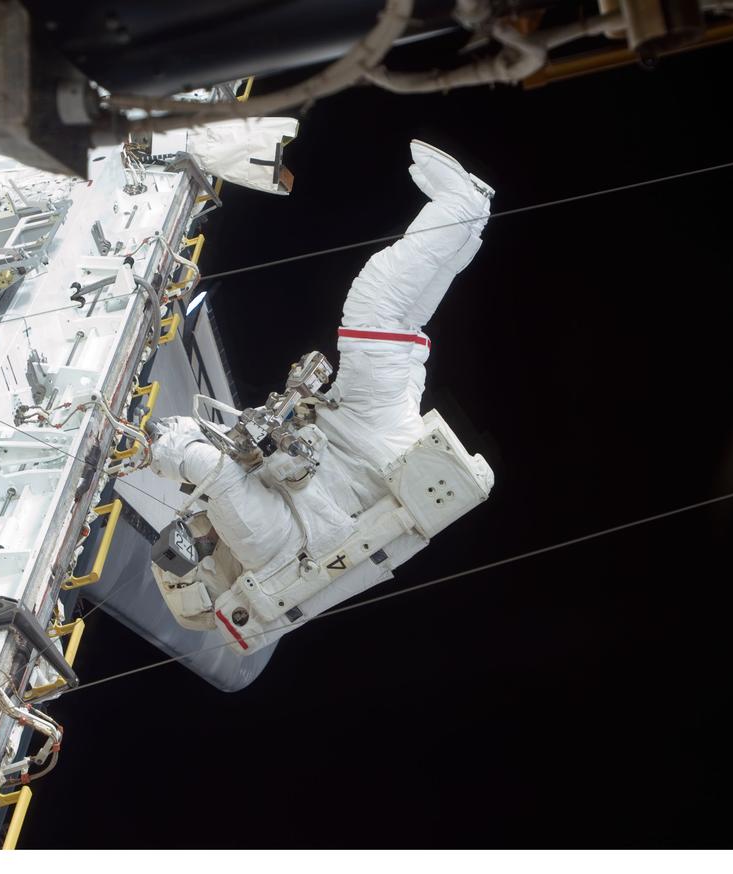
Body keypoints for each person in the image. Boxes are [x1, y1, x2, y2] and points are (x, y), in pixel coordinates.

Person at [147, 141, 494, 642]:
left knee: (399, 322)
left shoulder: (273, 563)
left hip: (368, 445)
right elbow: (211, 471)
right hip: (369, 444)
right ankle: (461, 206)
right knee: (373, 307)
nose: (195, 530)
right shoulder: (258, 550)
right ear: (204, 578)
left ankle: (469, 220)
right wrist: (167, 448)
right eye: (190, 548)